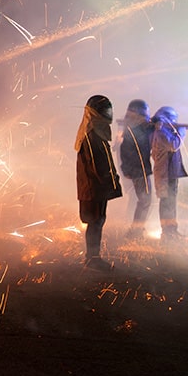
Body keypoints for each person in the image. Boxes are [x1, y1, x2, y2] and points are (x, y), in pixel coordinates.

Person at [73, 94, 122, 270]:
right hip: (94, 188)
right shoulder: (92, 134)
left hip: (95, 187)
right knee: (95, 221)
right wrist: (111, 181)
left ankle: (92, 257)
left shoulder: (95, 132)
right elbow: (98, 166)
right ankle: (92, 258)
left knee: (97, 220)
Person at [117, 99, 155, 238]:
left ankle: (135, 229)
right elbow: (126, 151)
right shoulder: (135, 130)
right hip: (139, 170)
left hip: (136, 170)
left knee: (141, 200)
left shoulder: (133, 128)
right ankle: (135, 231)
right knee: (145, 200)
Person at [150, 106, 188, 241]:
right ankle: (167, 233)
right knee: (166, 202)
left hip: (170, 173)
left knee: (171, 202)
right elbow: (173, 145)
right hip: (165, 174)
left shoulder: (165, 131)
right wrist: (182, 132)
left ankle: (172, 230)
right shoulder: (160, 133)